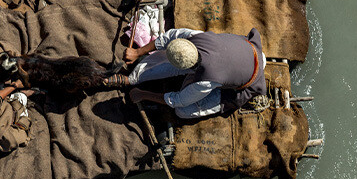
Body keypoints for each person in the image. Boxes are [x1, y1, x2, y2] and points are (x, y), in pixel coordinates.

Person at [106, 28, 266, 119]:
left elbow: (178, 101)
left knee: (182, 112)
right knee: (168, 58)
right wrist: (137, 52)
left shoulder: (205, 81)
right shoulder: (195, 36)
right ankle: (133, 78)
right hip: (249, 51)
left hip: (248, 81)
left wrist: (143, 94)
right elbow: (169, 37)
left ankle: (137, 81)